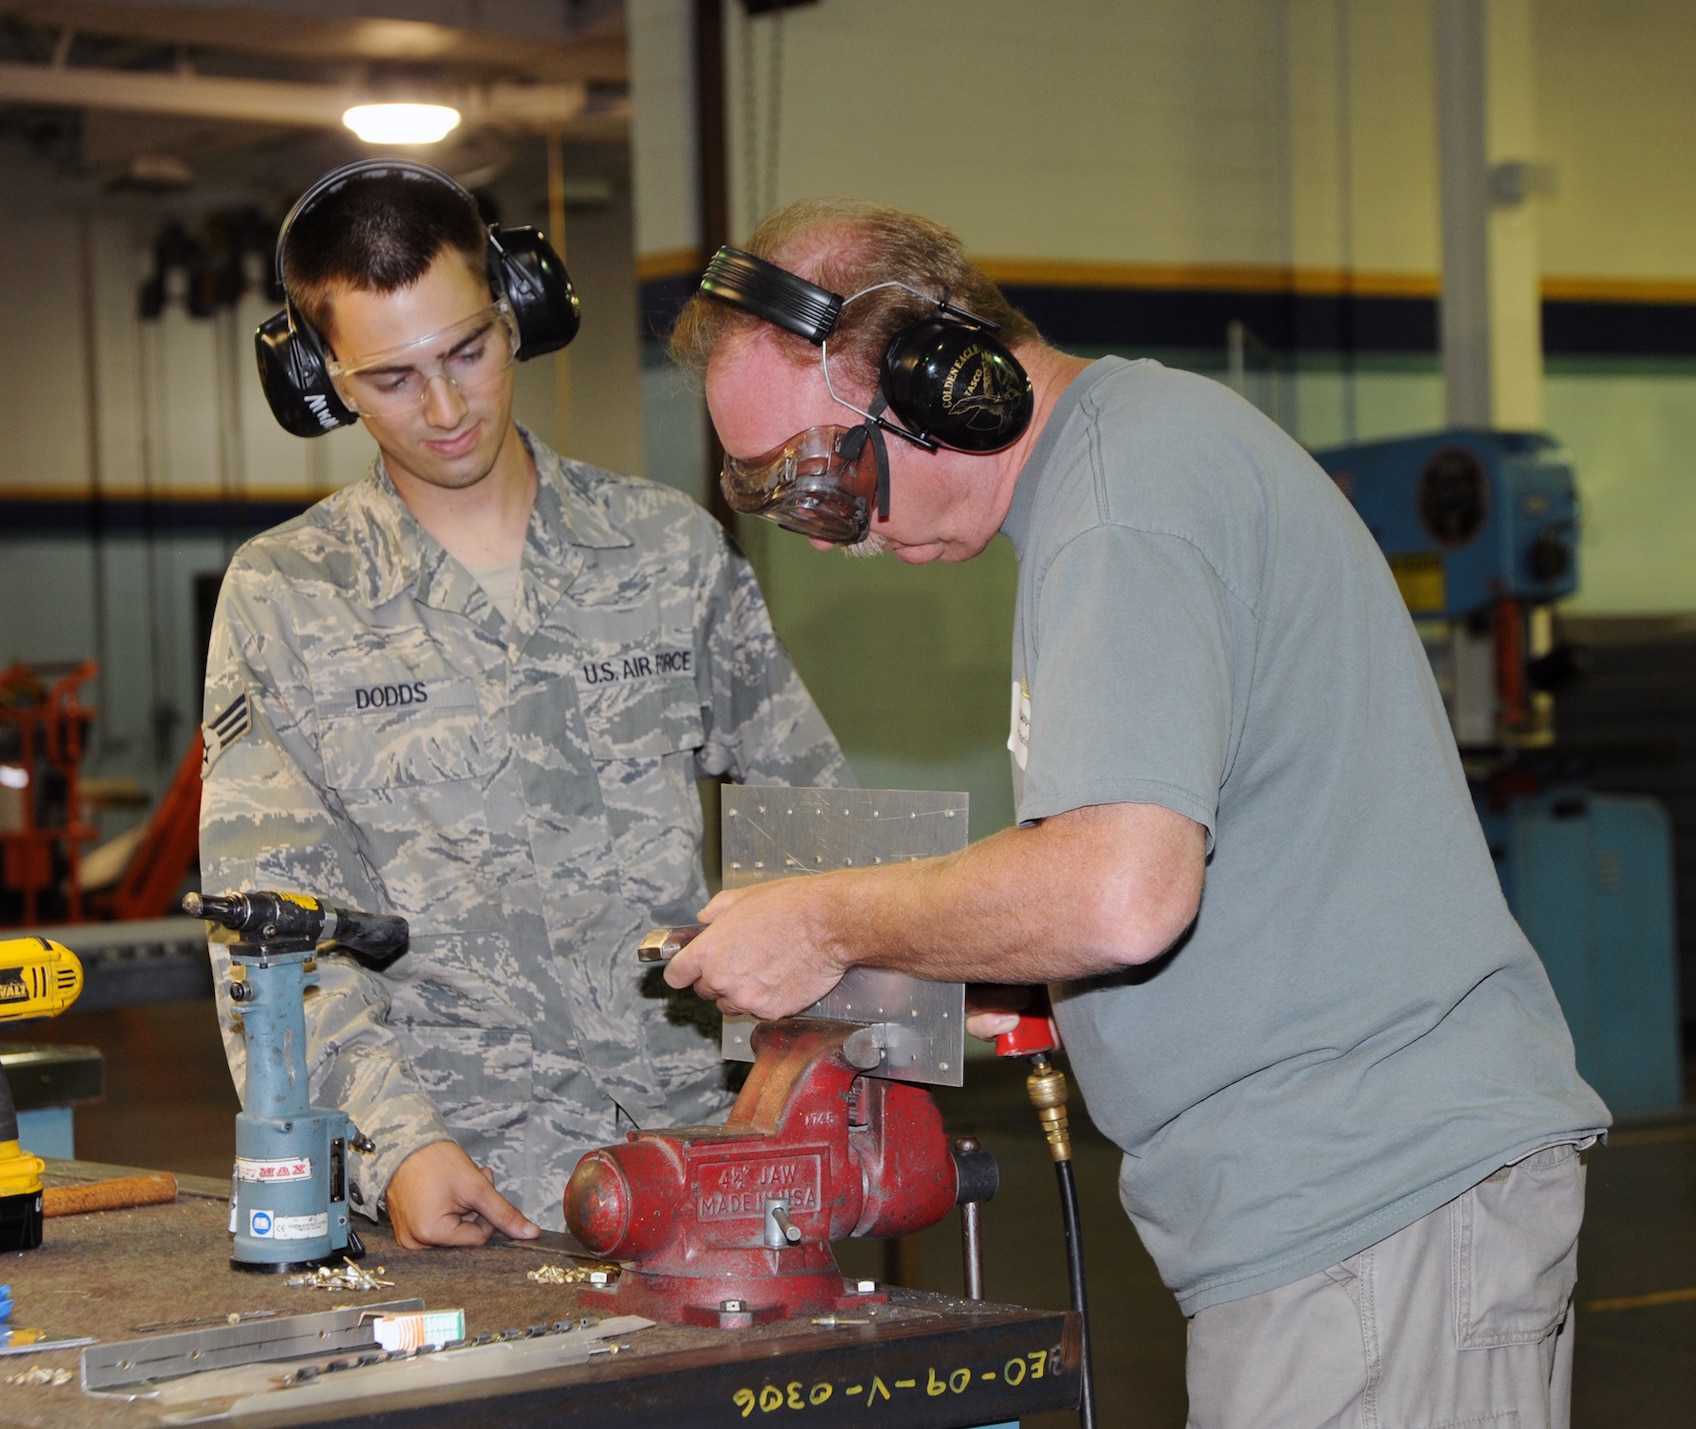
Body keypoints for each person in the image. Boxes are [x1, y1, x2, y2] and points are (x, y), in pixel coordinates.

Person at [663, 199, 1609, 1428]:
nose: (831, 533)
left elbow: (1120, 889)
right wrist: (998, 961)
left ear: (946, 382)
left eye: (826, 475)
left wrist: (826, 923)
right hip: (1348, 1216)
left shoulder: (1121, 508)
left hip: (1369, 1210)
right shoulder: (1128, 466)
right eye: (788, 502)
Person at [198, 164, 848, 1252]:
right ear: (322, 380)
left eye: (468, 351)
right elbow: (272, 932)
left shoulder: (666, 550)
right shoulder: (286, 598)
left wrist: (813, 1077)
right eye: (394, 378)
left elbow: (818, 830)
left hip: (709, 1167)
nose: (447, 409)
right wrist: (392, 1144)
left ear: (520, 315)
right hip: (464, 1188)